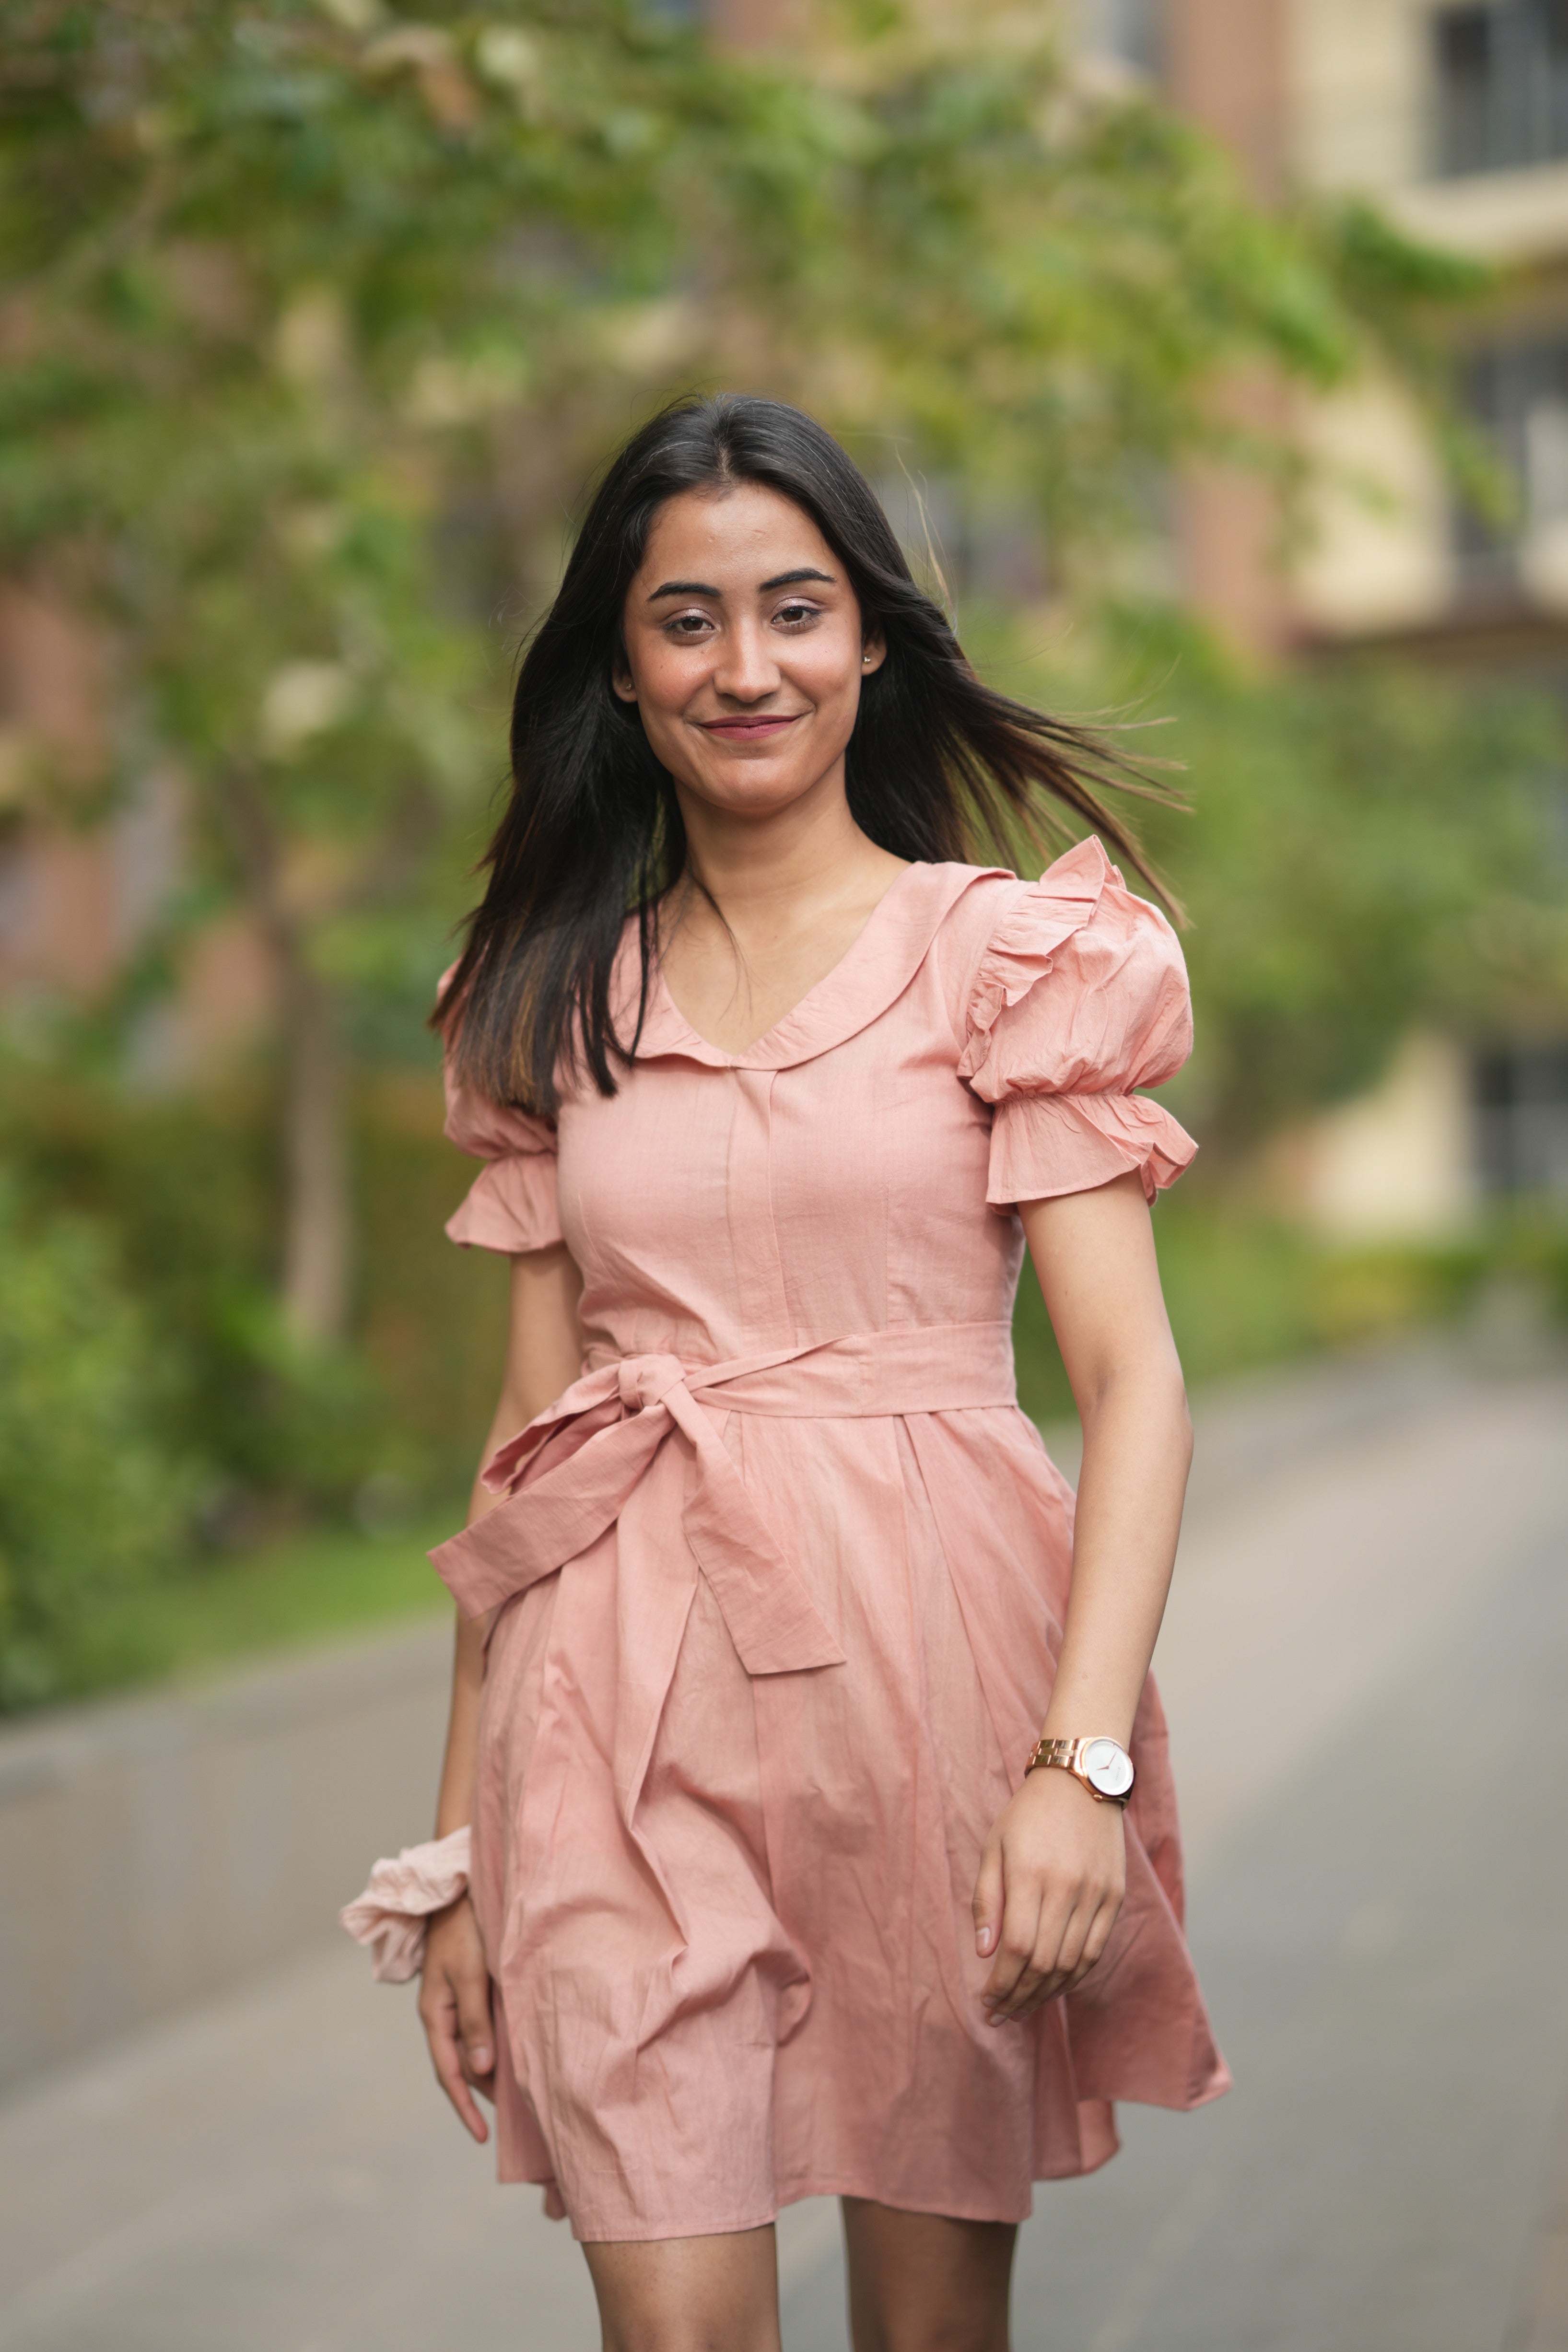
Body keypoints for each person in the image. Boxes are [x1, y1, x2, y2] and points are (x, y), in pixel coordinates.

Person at [345, 393, 1227, 2352]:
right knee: (673, 2331)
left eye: (793, 609)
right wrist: (463, 1842)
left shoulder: (1003, 960)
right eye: (685, 620)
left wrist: (1075, 1769)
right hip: (613, 1692)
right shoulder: (549, 997)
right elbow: (523, 1439)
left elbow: (1131, 1383)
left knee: (923, 2335)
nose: (744, 665)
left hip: (932, 1680)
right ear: (620, 667)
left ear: (871, 643)